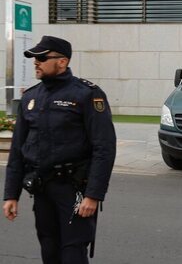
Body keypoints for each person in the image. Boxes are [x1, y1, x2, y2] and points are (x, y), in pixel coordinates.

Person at [3, 35, 116, 264]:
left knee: (73, 251)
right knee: (49, 248)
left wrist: (93, 195)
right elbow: (17, 150)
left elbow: (104, 148)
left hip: (74, 190)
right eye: (34, 58)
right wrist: (11, 195)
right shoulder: (31, 98)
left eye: (42, 58)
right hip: (42, 188)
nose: (36, 62)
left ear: (62, 62)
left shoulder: (87, 94)